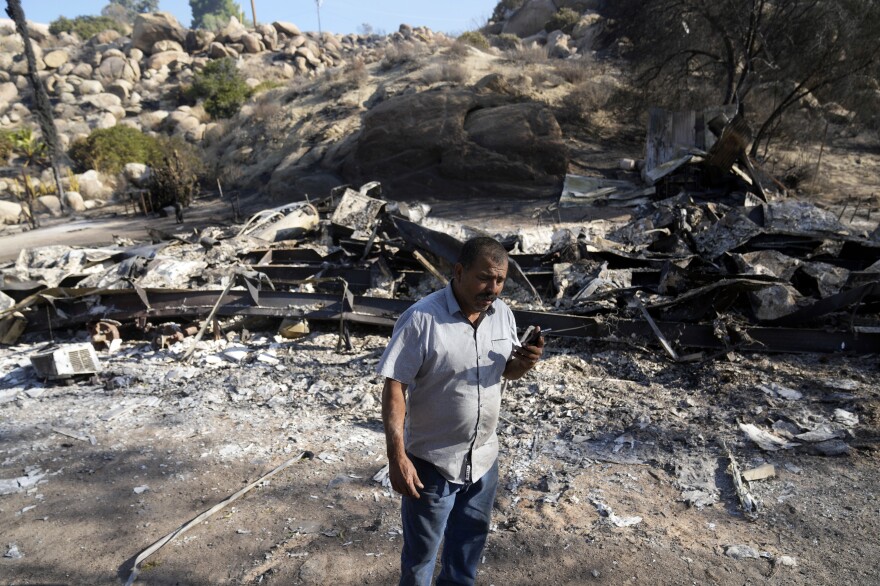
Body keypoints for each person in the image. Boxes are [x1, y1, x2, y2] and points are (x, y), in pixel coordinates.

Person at [378, 236, 544, 585]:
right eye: (485, 277)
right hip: (432, 465)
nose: (493, 288)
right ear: (458, 271)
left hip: (483, 463)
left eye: (499, 280)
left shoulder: (503, 317)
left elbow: (504, 373)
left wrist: (523, 364)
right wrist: (397, 457)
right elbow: (395, 386)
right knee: (420, 561)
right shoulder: (422, 319)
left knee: (464, 560)